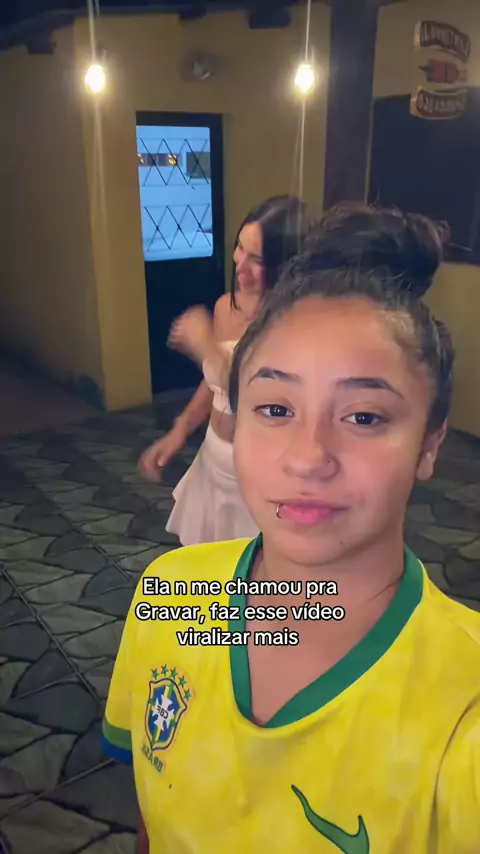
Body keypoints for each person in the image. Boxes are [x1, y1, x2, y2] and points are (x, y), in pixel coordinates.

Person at [102, 206, 480, 854]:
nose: (307, 458)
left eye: (363, 417)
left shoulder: (463, 700)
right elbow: (151, 804)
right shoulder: (171, 592)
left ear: (429, 444)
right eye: (275, 408)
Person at [138, 195, 310, 545]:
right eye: (239, 248)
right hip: (213, 457)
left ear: (285, 264)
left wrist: (206, 348)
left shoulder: (293, 322)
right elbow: (215, 384)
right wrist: (180, 430)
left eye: (256, 259)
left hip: (259, 469)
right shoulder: (225, 307)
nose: (240, 265)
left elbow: (258, 398)